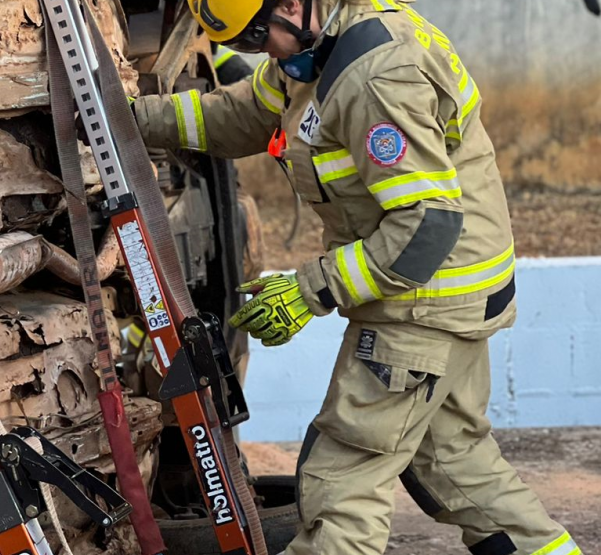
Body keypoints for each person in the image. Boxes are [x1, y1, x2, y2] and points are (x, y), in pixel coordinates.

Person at [131, 1, 582, 554]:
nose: (259, 53)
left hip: (425, 298)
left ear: (293, 5)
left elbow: (426, 226)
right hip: (454, 290)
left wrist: (309, 289)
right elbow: (243, 116)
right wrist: (133, 120)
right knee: (454, 464)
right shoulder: (317, 51)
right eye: (244, 48)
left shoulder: (375, 74)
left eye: (255, 36)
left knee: (340, 484)